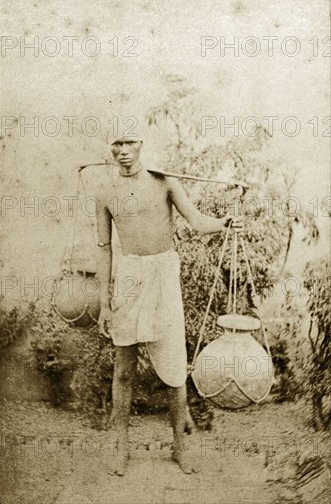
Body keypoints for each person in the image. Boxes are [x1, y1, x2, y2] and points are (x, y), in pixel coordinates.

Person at [95, 135, 243, 476]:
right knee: (123, 371)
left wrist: (224, 223)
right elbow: (103, 248)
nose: (122, 150)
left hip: (163, 274)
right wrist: (104, 302)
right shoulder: (104, 190)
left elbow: (197, 221)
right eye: (116, 143)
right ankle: (121, 448)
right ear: (110, 147)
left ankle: (180, 446)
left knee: (175, 370)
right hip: (128, 276)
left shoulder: (164, 181)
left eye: (129, 142)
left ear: (142, 143)